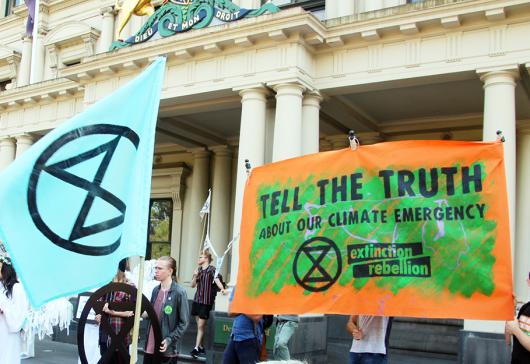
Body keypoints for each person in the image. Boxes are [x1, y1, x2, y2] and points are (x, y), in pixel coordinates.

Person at [143, 256, 189, 364]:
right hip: (150, 347)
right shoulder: (155, 290)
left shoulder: (179, 292)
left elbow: (184, 323)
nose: (156, 271)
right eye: (156, 268)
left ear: (170, 271)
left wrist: (169, 339)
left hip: (167, 350)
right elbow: (151, 314)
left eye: (160, 268)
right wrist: (136, 312)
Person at [96, 259, 134, 364]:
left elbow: (133, 312)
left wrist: (112, 312)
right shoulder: (106, 286)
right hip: (105, 334)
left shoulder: (129, 287)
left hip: (121, 334)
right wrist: (98, 315)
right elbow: (98, 305)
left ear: (119, 269)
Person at [190, 250, 227, 358]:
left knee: (201, 325)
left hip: (206, 302)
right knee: (199, 326)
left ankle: (196, 348)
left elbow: (217, 280)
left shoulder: (212, 270)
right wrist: (194, 275)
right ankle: (201, 347)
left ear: (206, 259)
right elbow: (192, 285)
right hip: (197, 300)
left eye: (201, 257)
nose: (199, 259)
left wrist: (222, 289)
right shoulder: (198, 270)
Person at [0, 253, 29, 364]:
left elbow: (20, 312)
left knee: (8, 356)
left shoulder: (17, 288)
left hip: (8, 329)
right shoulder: (1, 286)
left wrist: (4, 310)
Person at [222, 287, 264, 364]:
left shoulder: (258, 287)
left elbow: (257, 316)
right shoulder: (238, 286)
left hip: (250, 338)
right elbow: (230, 312)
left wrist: (239, 305)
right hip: (234, 336)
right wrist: (246, 307)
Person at [505, 272, 530, 363]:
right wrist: (510, 309)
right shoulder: (525, 307)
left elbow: (515, 331)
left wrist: (516, 330)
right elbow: (508, 340)